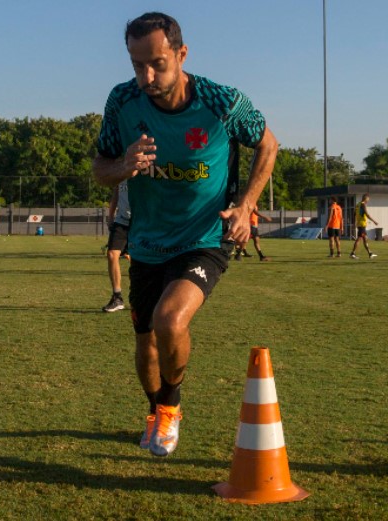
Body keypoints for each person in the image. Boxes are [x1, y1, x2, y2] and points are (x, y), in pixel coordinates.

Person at [93, 12, 277, 457]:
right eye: (137, 65)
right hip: (148, 241)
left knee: (170, 319)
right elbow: (100, 168)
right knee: (145, 343)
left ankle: (171, 406)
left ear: (181, 53)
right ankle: (156, 409)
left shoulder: (222, 101)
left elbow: (268, 144)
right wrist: (124, 166)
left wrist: (247, 205)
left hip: (204, 237)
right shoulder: (122, 102)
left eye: (157, 63)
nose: (146, 76)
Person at [102, 180, 131, 312]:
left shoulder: (145, 169)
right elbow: (116, 194)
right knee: (112, 254)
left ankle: (144, 296)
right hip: (121, 221)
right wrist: (111, 216)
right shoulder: (121, 169)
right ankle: (117, 297)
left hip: (140, 221)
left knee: (139, 259)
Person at [350, 193, 378, 259]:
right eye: (368, 199)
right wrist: (374, 221)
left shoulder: (357, 205)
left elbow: (353, 215)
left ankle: (370, 254)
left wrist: (354, 223)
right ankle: (352, 253)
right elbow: (367, 214)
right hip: (362, 224)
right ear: (366, 198)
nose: (368, 200)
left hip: (359, 224)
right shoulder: (363, 205)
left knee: (365, 239)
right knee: (359, 239)